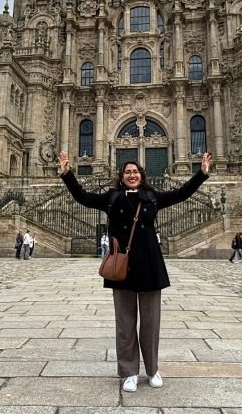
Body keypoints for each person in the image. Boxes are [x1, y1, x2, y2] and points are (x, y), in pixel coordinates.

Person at [59, 150, 211, 392]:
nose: (132, 175)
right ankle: (129, 372)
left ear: (142, 176)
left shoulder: (152, 197)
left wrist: (201, 175)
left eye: (135, 172)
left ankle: (152, 370)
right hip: (122, 266)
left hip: (150, 263)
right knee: (125, 323)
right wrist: (68, 174)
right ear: (121, 177)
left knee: (151, 323)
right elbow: (83, 197)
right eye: (127, 172)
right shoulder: (112, 198)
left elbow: (181, 194)